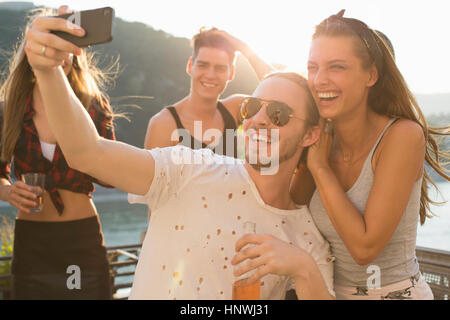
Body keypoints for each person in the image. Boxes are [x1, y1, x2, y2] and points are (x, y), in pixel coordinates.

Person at [23, 12, 336, 299]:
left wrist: (303, 269)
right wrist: (47, 70)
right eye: (253, 107)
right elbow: (88, 153)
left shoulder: (307, 240)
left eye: (279, 114)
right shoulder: (188, 167)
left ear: (311, 134)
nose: (260, 119)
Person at [290, 10, 449, 299]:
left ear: (371, 75)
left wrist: (321, 169)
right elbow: (291, 206)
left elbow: (365, 248)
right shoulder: (321, 139)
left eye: (337, 67)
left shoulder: (402, 136)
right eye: (313, 67)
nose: (319, 79)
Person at [0, 7, 117, 299]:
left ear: (74, 52)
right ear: (35, 48)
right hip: (32, 242)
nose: (57, 53)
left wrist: (93, 155)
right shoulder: (9, 108)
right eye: (51, 43)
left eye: (64, 45)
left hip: (81, 239)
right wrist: (7, 191)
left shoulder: (93, 105)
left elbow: (111, 177)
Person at [144, 28, 272, 157]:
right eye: (203, 65)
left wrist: (244, 48)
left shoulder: (234, 109)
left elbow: (280, 88)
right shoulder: (163, 124)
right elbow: (148, 176)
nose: (210, 75)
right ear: (190, 66)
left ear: (231, 73)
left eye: (220, 68)